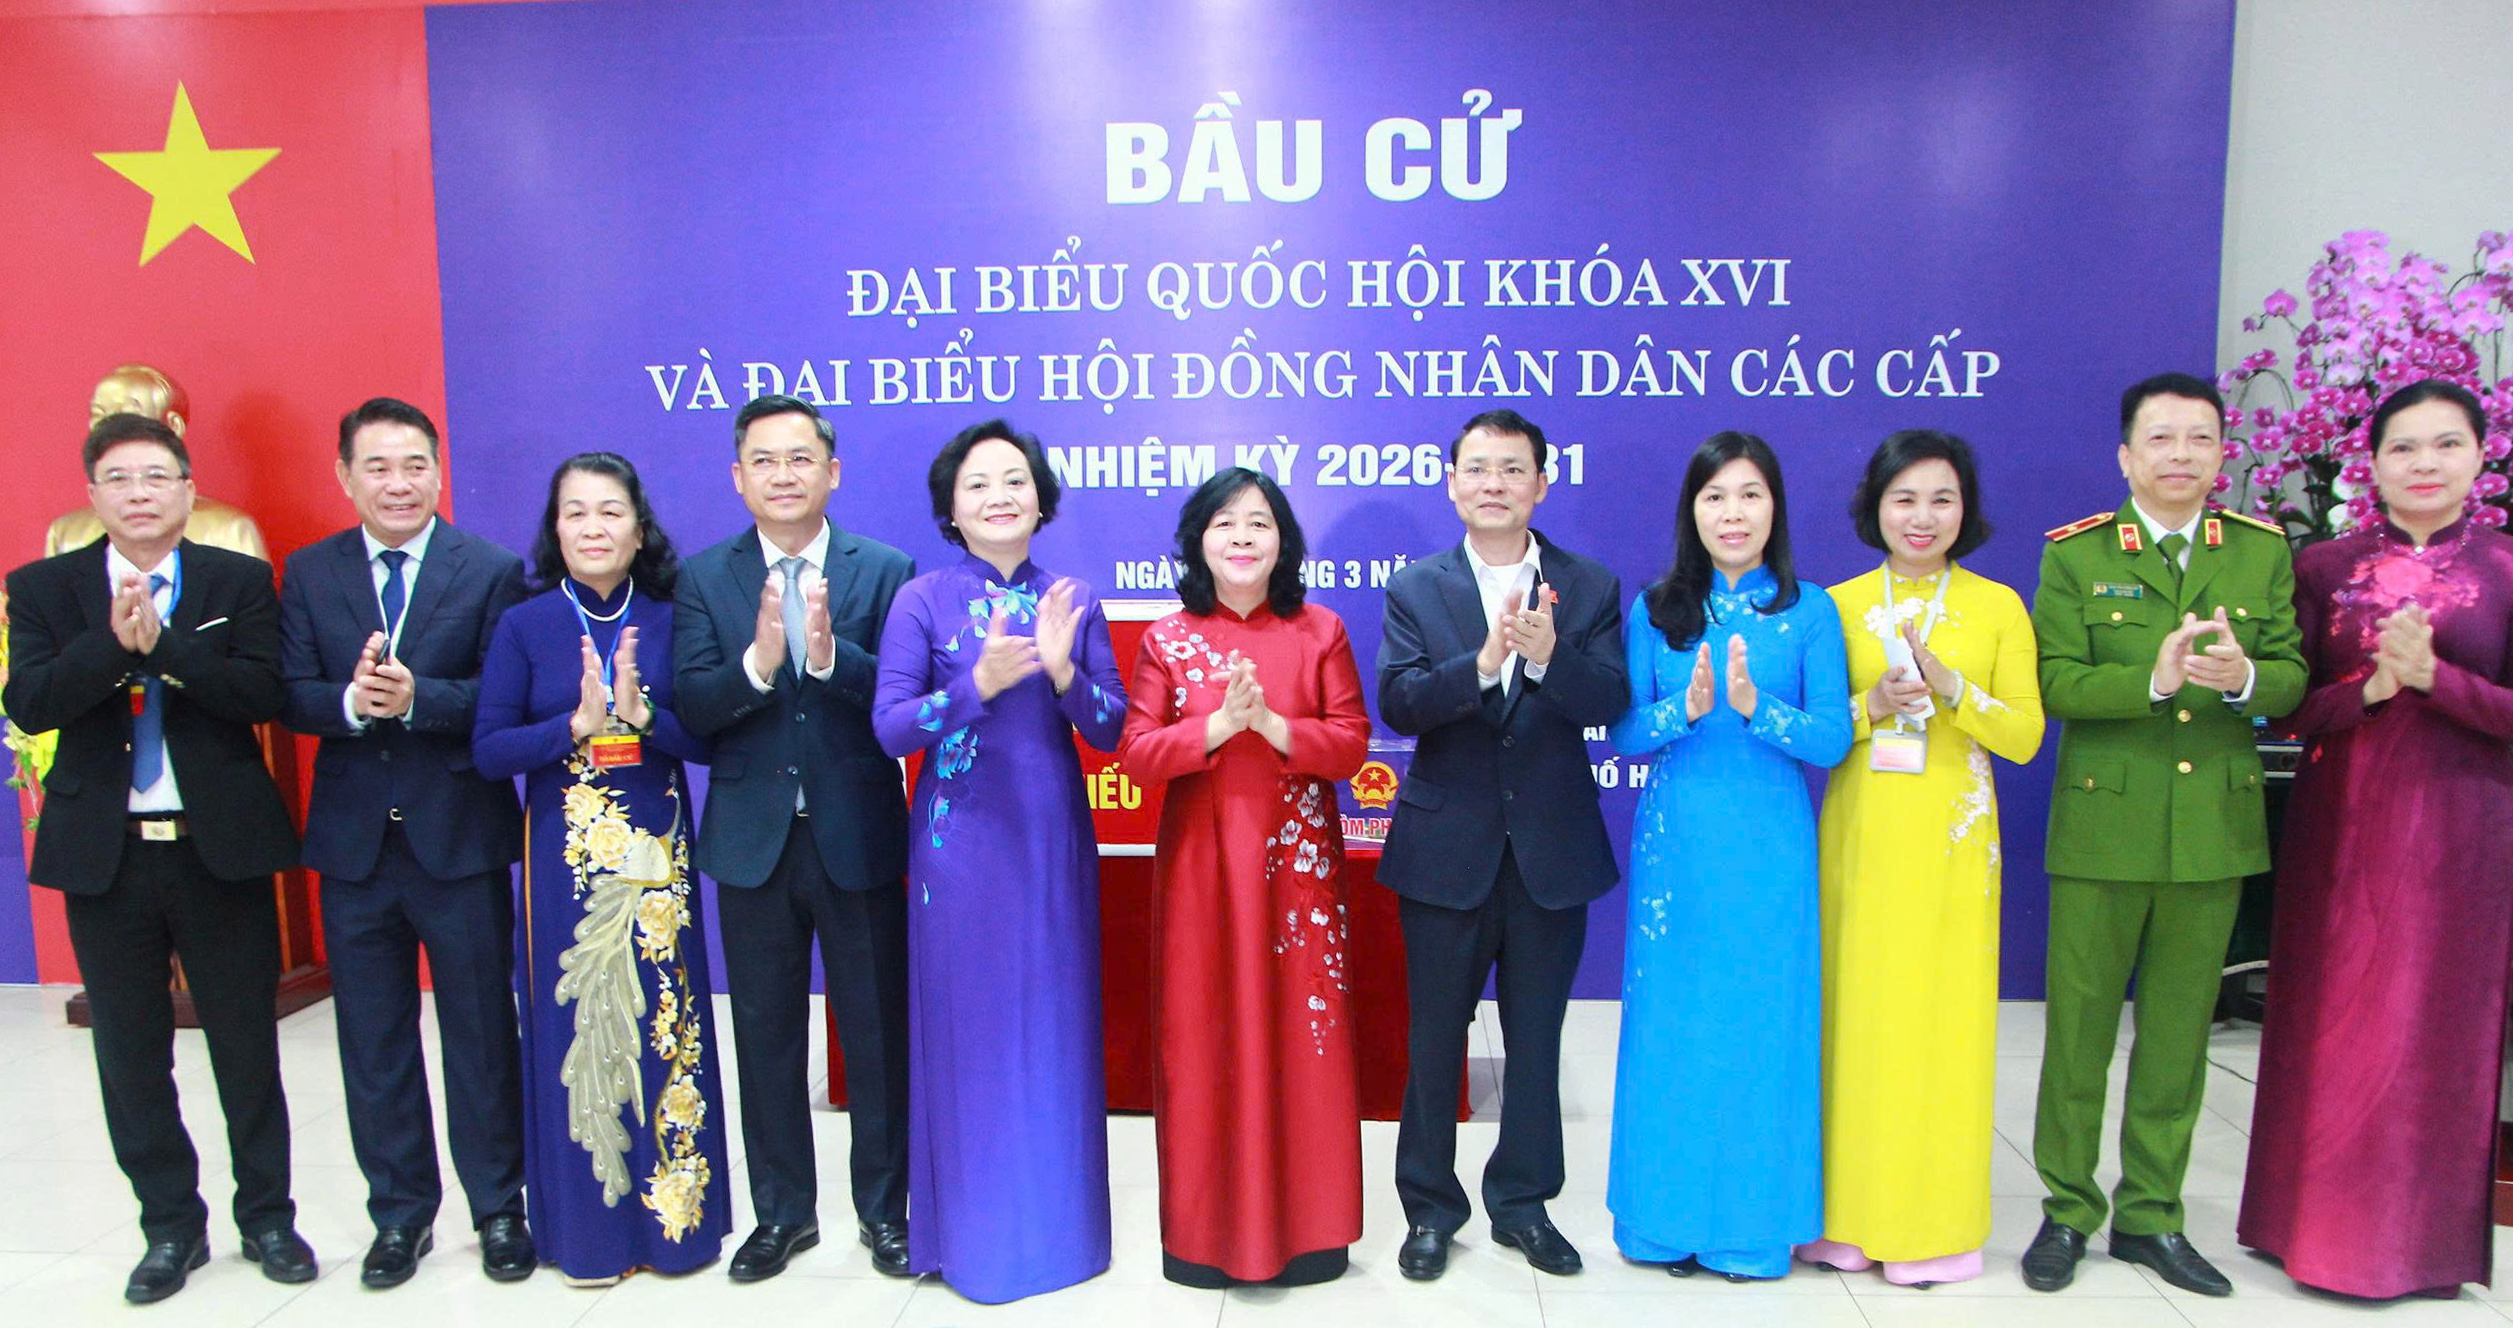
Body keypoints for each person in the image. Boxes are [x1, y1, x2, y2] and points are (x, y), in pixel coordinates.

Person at [3, 413, 311, 1303]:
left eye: (156, 477)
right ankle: (170, 1227)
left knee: (246, 1047)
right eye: (120, 479)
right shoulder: (44, 586)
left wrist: (165, 647)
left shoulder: (237, 579)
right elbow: (31, 702)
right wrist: (113, 644)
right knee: (131, 1056)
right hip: (109, 856)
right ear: (93, 496)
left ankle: (268, 1218)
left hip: (219, 849)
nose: (139, 494)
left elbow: (259, 693)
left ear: (187, 489)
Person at [2023, 372, 2305, 1297]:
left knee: (2178, 1039)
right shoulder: (2075, 555)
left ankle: (2150, 1216)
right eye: (2159, 438)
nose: (2179, 455)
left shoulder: (2259, 552)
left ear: (2222, 453)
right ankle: (2067, 1210)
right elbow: (2055, 683)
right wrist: (2152, 678)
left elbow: (2291, 677)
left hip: (2211, 834)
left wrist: (2241, 679)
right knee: (2078, 1037)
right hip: (2102, 831)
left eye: (2198, 438)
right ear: (2125, 456)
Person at [2237, 378, 2513, 1299]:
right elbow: (2286, 709)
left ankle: (2417, 1248)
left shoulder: (2505, 569)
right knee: (2329, 1019)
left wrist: (2437, 679)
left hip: (2463, 836)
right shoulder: (2323, 568)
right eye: (2403, 447)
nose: (2424, 464)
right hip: (2341, 827)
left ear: (2480, 456)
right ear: (2374, 463)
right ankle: (2305, 1231)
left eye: (2445, 444)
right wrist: (2371, 691)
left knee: (2437, 1024)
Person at [279, 396, 536, 1287]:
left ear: (438, 471)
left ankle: (499, 1207)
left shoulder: (490, 569)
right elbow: (291, 692)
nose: (398, 483)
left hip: (459, 839)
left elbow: (503, 696)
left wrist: (420, 697)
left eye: (415, 465)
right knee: (373, 1041)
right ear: (345, 476)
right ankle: (398, 1215)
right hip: (354, 849)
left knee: (481, 1034)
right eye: (378, 467)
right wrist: (353, 703)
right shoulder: (310, 573)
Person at [870, 420, 1125, 1303]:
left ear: (1041, 499)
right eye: (977, 484)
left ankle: (1061, 1235)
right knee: (969, 1034)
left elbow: (1112, 728)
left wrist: (1062, 674)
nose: (999, 496)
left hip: (1049, 843)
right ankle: (973, 1239)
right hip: (960, 852)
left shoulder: (1073, 599)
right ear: (951, 506)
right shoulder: (922, 599)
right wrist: (972, 687)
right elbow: (890, 727)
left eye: (1015, 480)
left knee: (1051, 1030)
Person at [1376, 408, 1628, 1282]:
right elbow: (1399, 702)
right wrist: (1481, 666)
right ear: (1452, 484)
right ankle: (1429, 1210)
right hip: (1446, 851)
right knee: (1433, 1042)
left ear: (1541, 484)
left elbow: (1609, 703)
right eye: (1477, 469)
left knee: (1535, 1041)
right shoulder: (1416, 587)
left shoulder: (1588, 585)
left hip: (1550, 851)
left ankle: (1522, 1204)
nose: (1494, 484)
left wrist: (1552, 658)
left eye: (1512, 469)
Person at [671, 394, 915, 1282]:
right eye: (764, 461)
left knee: (876, 1034)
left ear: (832, 472)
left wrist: (828, 658)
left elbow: (901, 698)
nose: (783, 475)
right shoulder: (704, 578)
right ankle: (781, 1215)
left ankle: (885, 1213)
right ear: (739, 477)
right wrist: (757, 666)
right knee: (765, 1035)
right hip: (752, 842)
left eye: (800, 458)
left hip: (857, 831)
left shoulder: (883, 570)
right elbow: (691, 706)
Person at [473, 453, 731, 1284]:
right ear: (555, 529)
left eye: (610, 511)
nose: (593, 527)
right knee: (577, 1026)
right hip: (566, 862)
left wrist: (644, 717)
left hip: (657, 859)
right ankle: (587, 1234)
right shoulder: (524, 625)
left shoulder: (672, 615)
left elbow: (710, 740)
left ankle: (676, 1226)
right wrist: (572, 727)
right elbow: (488, 750)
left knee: (666, 1022)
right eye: (575, 512)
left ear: (639, 528)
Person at [1797, 431, 2044, 1287]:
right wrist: (1869, 704)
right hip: (1860, 839)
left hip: (1952, 846)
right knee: (1854, 1023)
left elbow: (2023, 735)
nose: (1922, 516)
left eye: (1942, 498)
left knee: (1940, 1028)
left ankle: (1931, 1226)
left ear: (1965, 509)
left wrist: (1953, 689)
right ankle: (1844, 1219)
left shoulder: (1998, 607)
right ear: (1874, 507)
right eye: (1903, 498)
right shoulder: (1832, 606)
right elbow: (1809, 733)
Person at [1605, 431, 1851, 1282]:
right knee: (1672, 1027)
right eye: (1714, 497)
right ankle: (1660, 1220)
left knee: (1760, 1028)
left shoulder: (1809, 610)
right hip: (1677, 848)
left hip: (1770, 847)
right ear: (1692, 511)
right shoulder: (1656, 608)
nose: (1732, 513)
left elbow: (1831, 738)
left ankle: (1750, 1228)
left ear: (1774, 506)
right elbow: (1626, 731)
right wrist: (1683, 709)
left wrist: (1755, 708)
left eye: (1749, 494)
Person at [1117, 468, 1371, 1288]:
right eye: (1223, 522)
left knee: (1303, 1045)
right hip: (1201, 875)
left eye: (1258, 522)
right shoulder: (1166, 638)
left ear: (1282, 541)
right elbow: (1137, 755)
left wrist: (1271, 724)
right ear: (1198, 541)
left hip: (1297, 878)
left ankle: (1311, 1236)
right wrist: (1218, 727)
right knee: (1203, 1042)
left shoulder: (1320, 629)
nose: (1241, 537)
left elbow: (1350, 744)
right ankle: (1203, 1239)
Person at [47, 364, 268, 561]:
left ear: (173, 426)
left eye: (128, 413)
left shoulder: (228, 531)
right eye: (99, 413)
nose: (110, 425)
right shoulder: (68, 534)